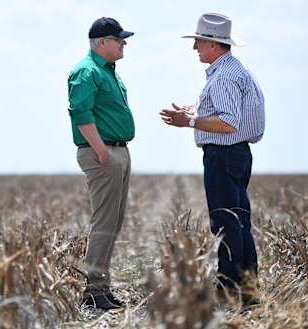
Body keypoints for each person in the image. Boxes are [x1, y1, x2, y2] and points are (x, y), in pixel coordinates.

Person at [159, 12, 265, 308]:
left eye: (199, 42)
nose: (195, 48)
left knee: (225, 223)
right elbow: (229, 112)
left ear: (213, 44)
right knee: (239, 222)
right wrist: (196, 109)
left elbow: (229, 122)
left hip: (223, 154)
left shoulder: (224, 76)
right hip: (237, 154)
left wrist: (189, 121)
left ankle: (230, 290)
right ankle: (249, 291)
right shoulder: (233, 70)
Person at [67, 17, 135, 311]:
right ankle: (93, 290)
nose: (124, 43)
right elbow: (79, 111)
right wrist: (101, 151)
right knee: (104, 224)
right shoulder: (86, 71)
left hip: (117, 151)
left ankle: (102, 287)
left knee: (114, 223)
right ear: (102, 42)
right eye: (119, 39)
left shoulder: (109, 71)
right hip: (103, 153)